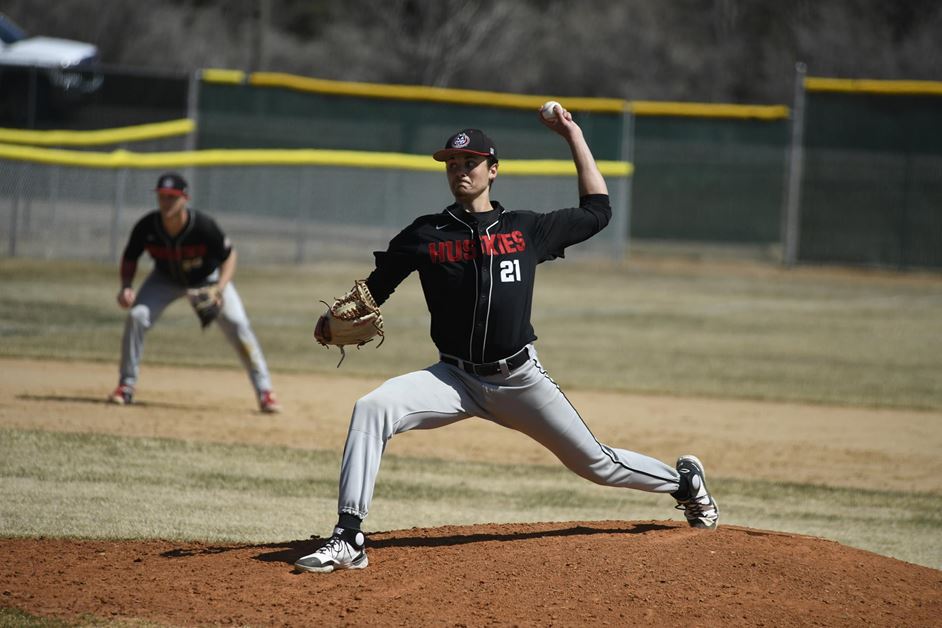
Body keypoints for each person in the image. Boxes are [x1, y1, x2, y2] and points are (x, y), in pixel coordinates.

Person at [294, 106, 718, 574]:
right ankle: (349, 536)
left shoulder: (525, 229)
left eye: (470, 163)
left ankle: (684, 484)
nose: (460, 171)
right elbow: (376, 288)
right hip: (453, 379)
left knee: (597, 464)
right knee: (372, 407)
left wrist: (573, 135)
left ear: (492, 171)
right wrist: (331, 320)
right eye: (452, 164)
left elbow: (598, 211)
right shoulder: (426, 234)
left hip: (519, 380)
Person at [108, 172, 282, 414]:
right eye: (162, 196)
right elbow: (130, 256)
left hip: (206, 280)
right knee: (137, 316)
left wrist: (219, 289)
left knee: (238, 323)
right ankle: (126, 386)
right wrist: (126, 286)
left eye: (172, 197)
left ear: (185, 199)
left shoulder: (203, 226)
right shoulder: (147, 226)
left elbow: (229, 256)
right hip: (164, 279)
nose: (166, 202)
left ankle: (265, 392)